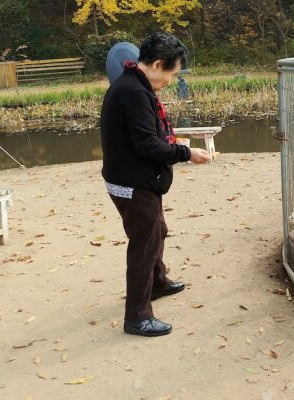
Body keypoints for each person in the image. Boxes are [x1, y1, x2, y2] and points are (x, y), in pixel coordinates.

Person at [101, 32, 211, 337]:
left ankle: (158, 283)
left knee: (156, 230)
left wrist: (173, 143)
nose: (170, 81)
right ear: (158, 64)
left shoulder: (132, 84)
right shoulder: (134, 92)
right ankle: (137, 315)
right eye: (172, 73)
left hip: (136, 179)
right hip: (132, 183)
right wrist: (185, 153)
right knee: (144, 245)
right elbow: (147, 145)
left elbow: (146, 137)